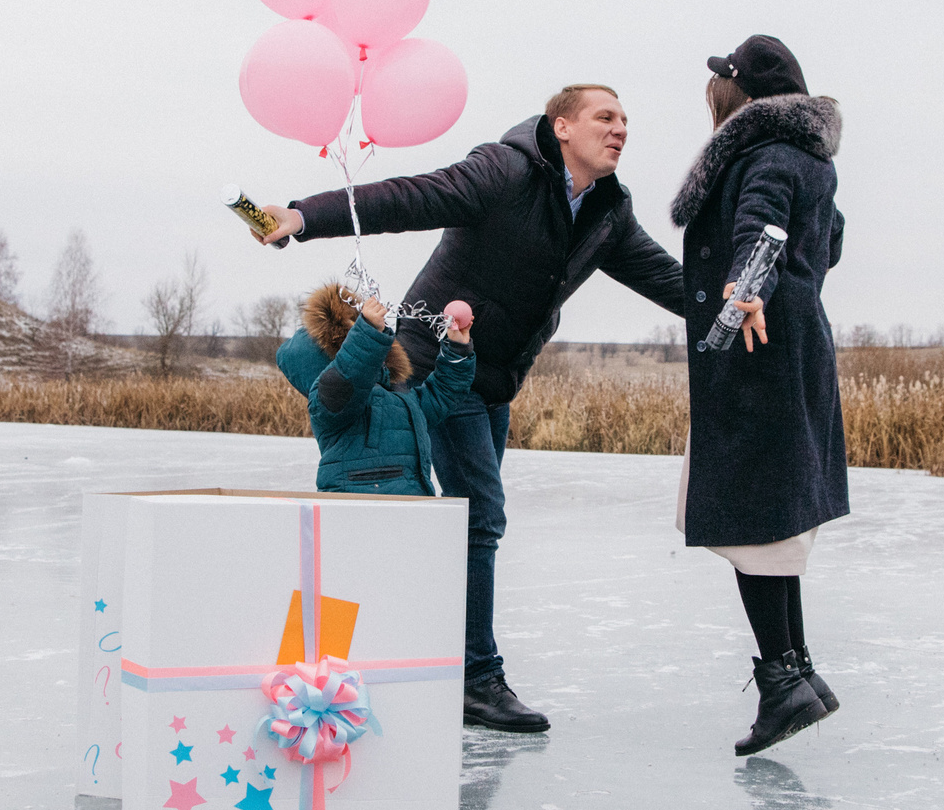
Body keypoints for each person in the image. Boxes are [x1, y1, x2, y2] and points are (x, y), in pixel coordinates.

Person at [255, 85, 686, 732]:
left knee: (467, 525)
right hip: (437, 366)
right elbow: (413, 196)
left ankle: (438, 659)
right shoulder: (506, 169)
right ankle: (475, 677)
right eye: (605, 117)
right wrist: (304, 215)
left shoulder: (606, 213)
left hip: (494, 383)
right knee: (480, 516)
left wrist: (743, 307)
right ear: (561, 125)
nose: (620, 128)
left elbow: (665, 278)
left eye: (626, 118)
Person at [669, 35, 848, 755]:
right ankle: (798, 670)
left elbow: (762, 228)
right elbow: (828, 241)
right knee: (771, 525)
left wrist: (747, 290)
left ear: (739, 93)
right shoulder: (812, 158)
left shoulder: (764, 155)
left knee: (749, 523)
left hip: (754, 352)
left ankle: (783, 681)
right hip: (791, 346)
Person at [274, 282, 474, 496]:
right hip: (358, 511)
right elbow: (347, 377)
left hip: (410, 511)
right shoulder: (328, 405)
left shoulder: (400, 399)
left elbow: (441, 395)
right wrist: (367, 333)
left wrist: (457, 350)